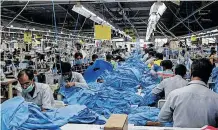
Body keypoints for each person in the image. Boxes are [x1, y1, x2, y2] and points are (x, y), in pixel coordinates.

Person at [158, 58, 218, 128]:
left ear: (191, 73)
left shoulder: (175, 94)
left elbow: (162, 118)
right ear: (210, 75)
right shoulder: (215, 99)